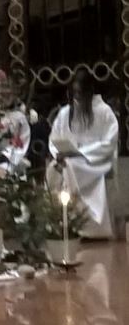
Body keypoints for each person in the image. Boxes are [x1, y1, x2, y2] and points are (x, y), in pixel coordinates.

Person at [47, 70, 121, 240]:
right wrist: (59, 154)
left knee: (72, 167)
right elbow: (54, 139)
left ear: (89, 91)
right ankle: (61, 223)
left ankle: (89, 228)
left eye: (80, 93)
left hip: (95, 161)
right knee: (53, 170)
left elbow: (109, 142)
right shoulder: (66, 112)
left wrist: (80, 153)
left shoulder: (104, 112)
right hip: (70, 159)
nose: (77, 97)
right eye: (74, 93)